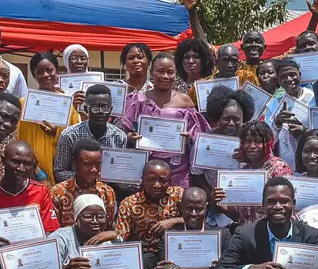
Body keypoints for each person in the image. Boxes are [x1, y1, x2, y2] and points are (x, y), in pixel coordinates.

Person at [120, 52, 210, 189]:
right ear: (152, 73)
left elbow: (199, 136)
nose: (165, 76)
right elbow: (125, 131)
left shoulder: (185, 100)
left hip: (178, 168)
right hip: (147, 167)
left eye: (170, 72)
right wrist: (131, 137)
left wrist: (189, 139)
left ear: (175, 74)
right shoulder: (139, 100)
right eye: (160, 71)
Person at [116, 159, 185, 269]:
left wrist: (174, 220)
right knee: (142, 266)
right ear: (143, 180)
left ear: (170, 181)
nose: (157, 184)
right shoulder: (129, 204)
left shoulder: (179, 195)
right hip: (146, 253)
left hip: (174, 250)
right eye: (151, 179)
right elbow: (121, 237)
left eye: (163, 180)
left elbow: (195, 217)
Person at [17, 52, 81, 184]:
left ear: (56, 71)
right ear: (34, 75)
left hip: (61, 170)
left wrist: (56, 133)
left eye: (49, 70)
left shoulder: (68, 103)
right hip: (31, 171)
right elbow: (18, 136)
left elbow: (76, 138)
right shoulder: (24, 103)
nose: (45, 75)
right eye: (39, 72)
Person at [216, 120, 292, 225]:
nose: (252, 146)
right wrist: (220, 203)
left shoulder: (279, 168)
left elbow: (285, 208)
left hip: (271, 230)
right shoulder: (244, 172)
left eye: (258, 141)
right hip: (246, 232)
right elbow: (239, 216)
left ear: (268, 144)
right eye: (248, 141)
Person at [54, 84, 130, 184]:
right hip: (76, 189)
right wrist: (86, 177)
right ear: (86, 109)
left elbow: (120, 173)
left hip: (108, 190)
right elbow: (59, 172)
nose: (101, 112)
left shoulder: (120, 137)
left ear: (111, 109)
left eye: (105, 107)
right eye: (95, 107)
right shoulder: (69, 135)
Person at [0, 141, 61, 237]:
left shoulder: (40, 192)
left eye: (27, 164)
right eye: (15, 162)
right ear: (3, 160)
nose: (21, 168)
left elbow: (51, 231)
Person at [192, 86, 255, 198]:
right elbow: (196, 175)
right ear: (218, 117)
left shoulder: (252, 141)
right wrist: (212, 195)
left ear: (243, 118)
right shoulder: (204, 142)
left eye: (236, 119)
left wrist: (248, 159)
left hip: (246, 197)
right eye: (226, 119)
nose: (231, 123)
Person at [50, 138, 116, 227]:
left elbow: (108, 225)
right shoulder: (58, 193)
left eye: (98, 164)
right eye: (87, 164)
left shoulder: (107, 192)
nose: (94, 169)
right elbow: (53, 228)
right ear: (74, 163)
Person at [269, 57, 315, 168]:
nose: (289, 79)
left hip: (312, 160)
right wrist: (277, 123)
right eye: (283, 77)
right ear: (278, 81)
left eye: (292, 74)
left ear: (300, 75)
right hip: (287, 164)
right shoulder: (274, 103)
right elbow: (268, 140)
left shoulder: (314, 98)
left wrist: (305, 132)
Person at [188, 44, 259, 105]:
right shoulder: (201, 86)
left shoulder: (247, 78)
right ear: (216, 62)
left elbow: (258, 102)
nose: (230, 65)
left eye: (234, 61)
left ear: (239, 63)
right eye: (225, 60)